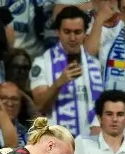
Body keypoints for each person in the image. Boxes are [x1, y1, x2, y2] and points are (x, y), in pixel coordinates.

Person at [30, 7, 104, 137]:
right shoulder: (42, 62)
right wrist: (59, 83)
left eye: (77, 32)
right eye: (67, 31)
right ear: (58, 32)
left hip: (92, 143)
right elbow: (40, 105)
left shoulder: (96, 64)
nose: (72, 37)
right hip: (58, 143)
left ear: (85, 33)